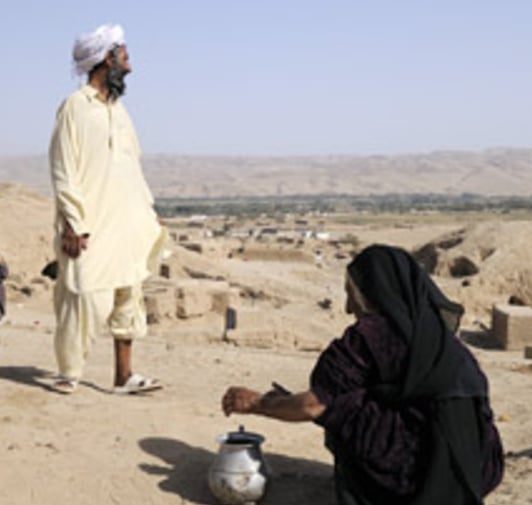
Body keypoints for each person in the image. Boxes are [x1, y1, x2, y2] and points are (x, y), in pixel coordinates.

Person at [222, 245, 504, 505]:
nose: (348, 308)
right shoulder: (440, 337)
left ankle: (370, 492)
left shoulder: (369, 336)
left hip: (413, 482)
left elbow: (311, 405)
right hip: (476, 469)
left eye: (352, 295)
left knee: (341, 405)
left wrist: (258, 404)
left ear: (373, 294)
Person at [48, 22, 165, 395]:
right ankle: (69, 372)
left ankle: (123, 375)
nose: (130, 65)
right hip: (91, 224)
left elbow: (132, 166)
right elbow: (64, 169)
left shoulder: (120, 111)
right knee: (83, 297)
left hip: (127, 222)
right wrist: (73, 223)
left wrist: (147, 210)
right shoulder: (75, 107)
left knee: (128, 296)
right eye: (125, 56)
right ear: (107, 59)